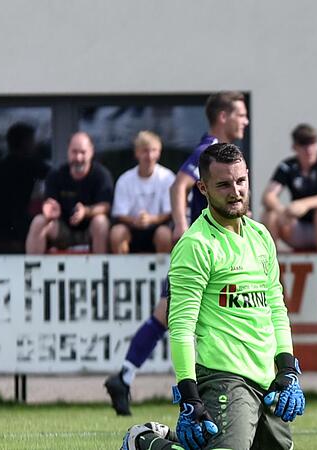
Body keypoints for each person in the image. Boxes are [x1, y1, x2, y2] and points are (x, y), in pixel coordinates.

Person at [121, 143, 304, 450]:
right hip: (223, 378)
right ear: (203, 188)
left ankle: (168, 441)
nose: (235, 191)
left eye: (241, 181)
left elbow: (276, 307)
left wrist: (287, 369)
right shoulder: (195, 245)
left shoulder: (260, 236)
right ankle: (143, 444)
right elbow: (180, 328)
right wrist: (189, 398)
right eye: (223, 184)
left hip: (267, 378)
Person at [105, 91, 250, 416]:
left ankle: (126, 377)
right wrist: (182, 228)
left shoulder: (216, 150)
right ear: (223, 116)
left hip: (211, 250)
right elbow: (178, 186)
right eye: (240, 113)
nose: (246, 120)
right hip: (203, 252)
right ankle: (207, 394)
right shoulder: (208, 150)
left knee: (166, 315)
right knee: (193, 321)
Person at [261, 124, 317, 254]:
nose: (309, 150)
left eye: (312, 143)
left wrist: (305, 204)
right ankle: (270, 266)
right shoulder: (288, 166)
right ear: (294, 147)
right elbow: (268, 196)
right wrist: (282, 210)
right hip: (302, 226)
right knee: (269, 215)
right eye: (303, 144)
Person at [24, 132, 112, 254]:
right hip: (62, 231)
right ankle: (33, 271)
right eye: (74, 152)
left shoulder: (101, 175)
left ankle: (101, 271)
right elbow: (49, 202)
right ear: (68, 151)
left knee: (101, 222)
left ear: (91, 152)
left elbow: (105, 206)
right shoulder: (56, 175)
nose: (78, 158)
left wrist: (85, 211)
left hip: (90, 231)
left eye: (82, 152)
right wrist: (50, 210)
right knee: (39, 221)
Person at [110, 131, 175, 254]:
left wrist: (150, 219)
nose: (149, 156)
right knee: (117, 233)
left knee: (164, 234)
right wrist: (135, 221)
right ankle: (121, 272)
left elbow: (169, 213)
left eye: (153, 150)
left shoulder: (167, 177)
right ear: (137, 153)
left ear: (159, 152)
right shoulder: (125, 179)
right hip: (131, 229)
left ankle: (164, 272)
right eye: (145, 150)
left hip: (158, 228)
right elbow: (119, 214)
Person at [0, 122, 51, 253]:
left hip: (0, 225)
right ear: (24, 142)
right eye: (32, 140)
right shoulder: (28, 165)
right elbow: (56, 176)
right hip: (13, 224)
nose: (34, 145)